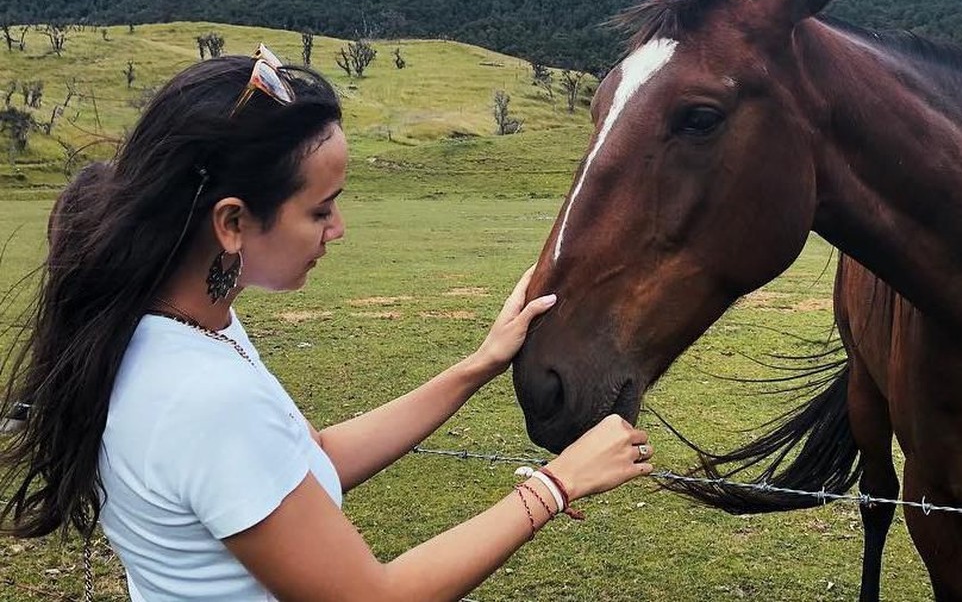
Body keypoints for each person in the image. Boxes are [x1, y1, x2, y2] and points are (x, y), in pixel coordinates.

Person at [0, 46, 654, 601]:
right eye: (320, 211)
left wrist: (476, 366)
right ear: (232, 223)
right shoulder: (202, 398)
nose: (338, 230)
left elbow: (313, 462)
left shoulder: (178, 329)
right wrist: (557, 485)